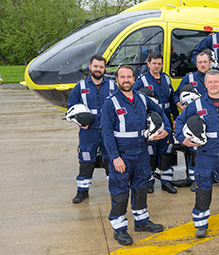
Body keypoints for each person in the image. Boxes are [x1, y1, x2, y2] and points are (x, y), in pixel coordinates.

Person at [101, 65, 172, 246]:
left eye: (129, 77)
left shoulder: (142, 98)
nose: (126, 80)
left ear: (134, 79)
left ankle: (141, 221)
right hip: (122, 156)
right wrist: (115, 157)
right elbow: (107, 133)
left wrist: (166, 130)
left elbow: (162, 112)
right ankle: (119, 228)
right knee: (120, 192)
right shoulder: (111, 103)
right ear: (117, 80)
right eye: (122, 77)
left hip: (141, 154)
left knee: (140, 188)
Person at [175, 69, 219, 238]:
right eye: (210, 82)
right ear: (205, 85)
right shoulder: (197, 104)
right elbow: (179, 121)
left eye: (216, 82)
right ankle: (201, 224)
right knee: (203, 190)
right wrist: (182, 138)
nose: (213, 85)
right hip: (205, 155)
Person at [68, 55, 117, 204]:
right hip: (89, 131)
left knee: (110, 159)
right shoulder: (81, 86)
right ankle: (82, 192)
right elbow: (71, 106)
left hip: (108, 130)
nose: (98, 69)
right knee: (86, 160)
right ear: (90, 67)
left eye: (101, 67)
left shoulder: (112, 86)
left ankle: (115, 189)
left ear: (105, 69)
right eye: (96, 66)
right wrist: (79, 121)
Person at [133, 52, 179, 194]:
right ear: (148, 64)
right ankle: (149, 181)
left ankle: (167, 181)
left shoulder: (166, 78)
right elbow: (135, 101)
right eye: (154, 63)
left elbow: (171, 99)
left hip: (166, 118)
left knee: (167, 150)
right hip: (150, 120)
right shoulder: (142, 80)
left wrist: (175, 118)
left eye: (159, 63)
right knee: (150, 153)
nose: (157, 66)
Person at [174, 51, 214, 191]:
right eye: (200, 62)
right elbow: (176, 95)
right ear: (196, 64)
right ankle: (193, 178)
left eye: (205, 62)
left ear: (210, 63)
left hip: (211, 119)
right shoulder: (189, 78)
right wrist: (182, 107)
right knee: (194, 149)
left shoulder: (215, 77)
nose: (203, 65)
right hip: (194, 120)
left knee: (211, 148)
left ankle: (210, 175)